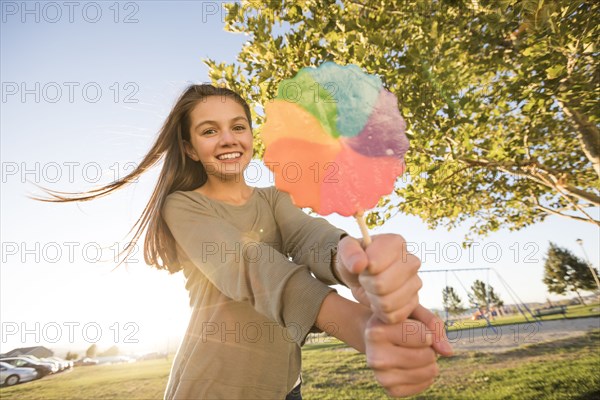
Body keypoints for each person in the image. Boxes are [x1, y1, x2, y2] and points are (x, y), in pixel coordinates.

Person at [33, 84, 452, 399]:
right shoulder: (183, 206)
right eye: (209, 131)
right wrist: (359, 327)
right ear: (190, 149)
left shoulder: (274, 198)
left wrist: (352, 263)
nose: (228, 139)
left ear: (251, 136)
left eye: (238, 126)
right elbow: (252, 268)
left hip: (285, 387)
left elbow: (309, 236)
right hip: (212, 388)